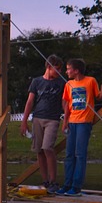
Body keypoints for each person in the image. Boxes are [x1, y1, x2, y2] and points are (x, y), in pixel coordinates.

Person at [58, 58, 102, 197]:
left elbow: (97, 96)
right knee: (69, 154)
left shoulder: (90, 81)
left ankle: (76, 186)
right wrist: (65, 121)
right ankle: (67, 184)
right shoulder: (68, 84)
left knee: (80, 154)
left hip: (84, 121)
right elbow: (67, 103)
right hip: (72, 121)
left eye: (68, 68)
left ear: (76, 70)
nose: (66, 71)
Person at [19, 55, 65, 190]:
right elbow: (30, 101)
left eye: (60, 70)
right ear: (49, 67)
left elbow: (65, 102)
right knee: (39, 150)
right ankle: (45, 180)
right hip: (38, 118)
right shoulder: (37, 81)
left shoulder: (61, 82)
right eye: (57, 69)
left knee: (47, 148)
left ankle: (53, 180)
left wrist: (67, 118)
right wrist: (24, 121)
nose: (59, 72)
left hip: (53, 119)